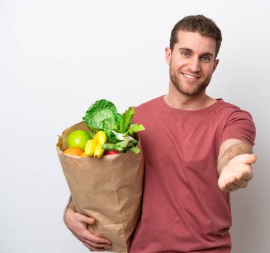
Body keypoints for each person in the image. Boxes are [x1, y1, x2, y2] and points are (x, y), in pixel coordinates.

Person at [64, 14, 257, 252]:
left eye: (205, 58)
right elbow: (102, 172)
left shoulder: (232, 118)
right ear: (169, 55)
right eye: (186, 53)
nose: (194, 66)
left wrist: (233, 164)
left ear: (214, 65)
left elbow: (234, 148)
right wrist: (71, 210)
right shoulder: (132, 121)